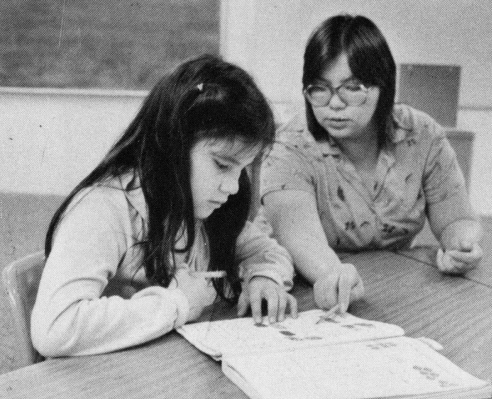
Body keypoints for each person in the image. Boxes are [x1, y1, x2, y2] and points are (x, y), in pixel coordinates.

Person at [31, 54, 297, 358]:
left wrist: (264, 277)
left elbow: (265, 250)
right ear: (173, 144)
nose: (234, 187)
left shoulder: (203, 206)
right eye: (223, 165)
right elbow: (55, 329)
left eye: (242, 169)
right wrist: (177, 303)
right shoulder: (103, 209)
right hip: (98, 389)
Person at [258, 14, 483, 314]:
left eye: (352, 87)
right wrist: (333, 275)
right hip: (309, 292)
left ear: (383, 86)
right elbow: (301, 239)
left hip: (393, 289)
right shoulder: (290, 148)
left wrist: (460, 246)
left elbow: (456, 219)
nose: (334, 104)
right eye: (319, 88)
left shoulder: (422, 134)